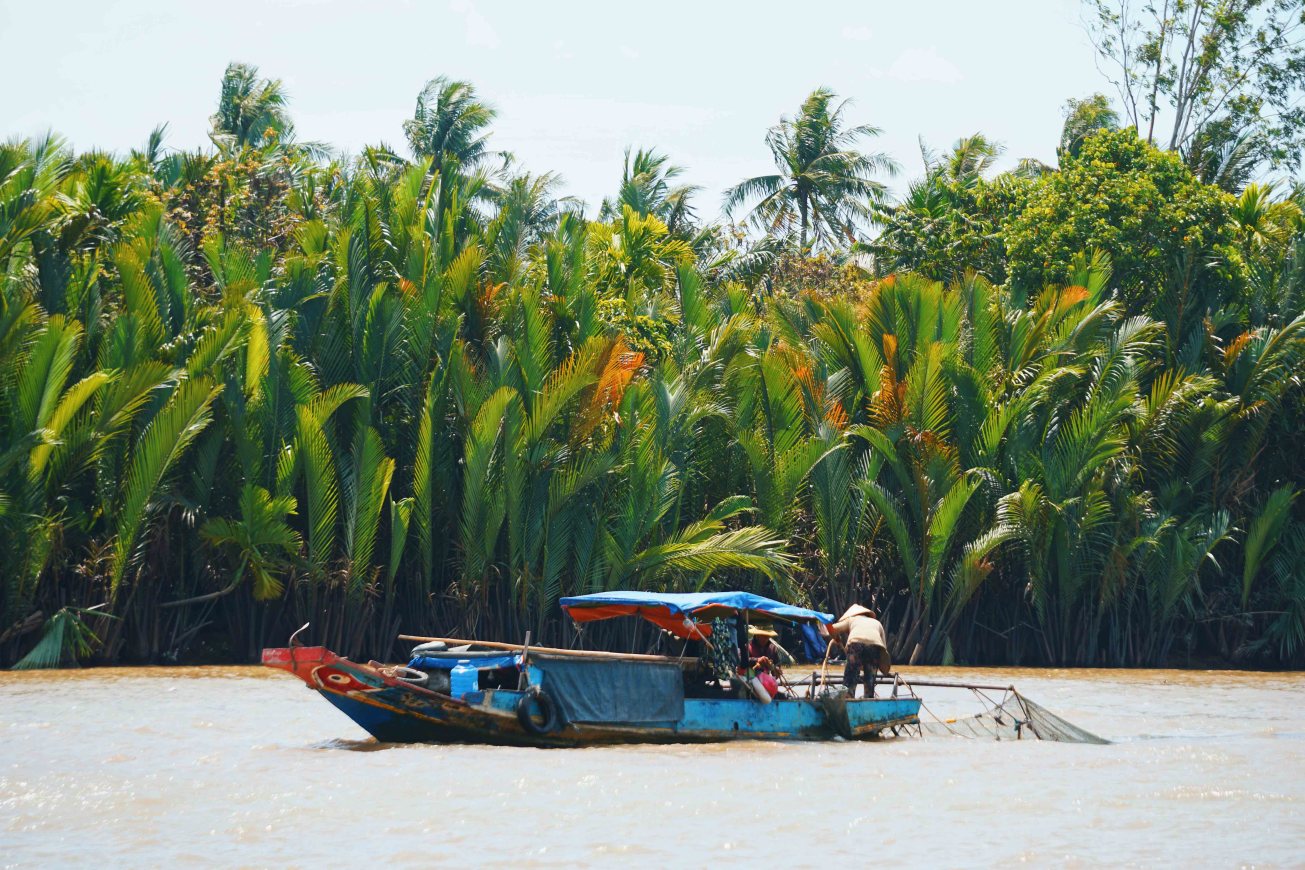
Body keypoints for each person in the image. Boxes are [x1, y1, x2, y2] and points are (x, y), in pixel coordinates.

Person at [828, 604, 891, 698]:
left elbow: (831, 628)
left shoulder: (852, 619)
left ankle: (848, 697)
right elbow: (883, 649)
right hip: (874, 648)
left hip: (855, 646)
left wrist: (836, 638)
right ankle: (868, 698)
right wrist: (884, 668)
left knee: (851, 676)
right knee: (870, 678)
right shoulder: (877, 623)